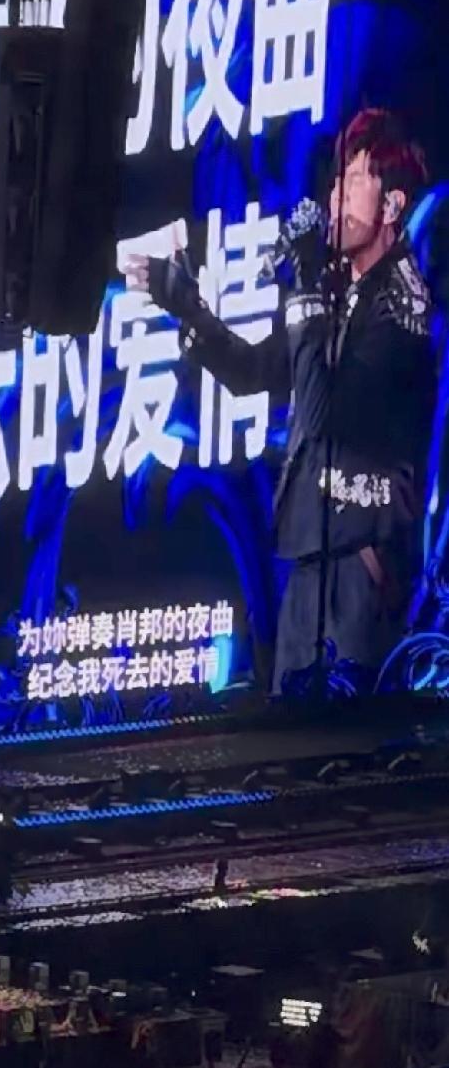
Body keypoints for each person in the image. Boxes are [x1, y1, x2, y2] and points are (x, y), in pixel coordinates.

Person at [124, 109, 436, 693]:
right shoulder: (339, 297)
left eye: (355, 180)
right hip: (310, 564)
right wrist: (188, 308)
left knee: (345, 735)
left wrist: (307, 289)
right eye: (337, 180)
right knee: (290, 728)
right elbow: (254, 372)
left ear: (393, 205)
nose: (336, 196)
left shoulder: (403, 306)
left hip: (362, 569)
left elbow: (319, 414)